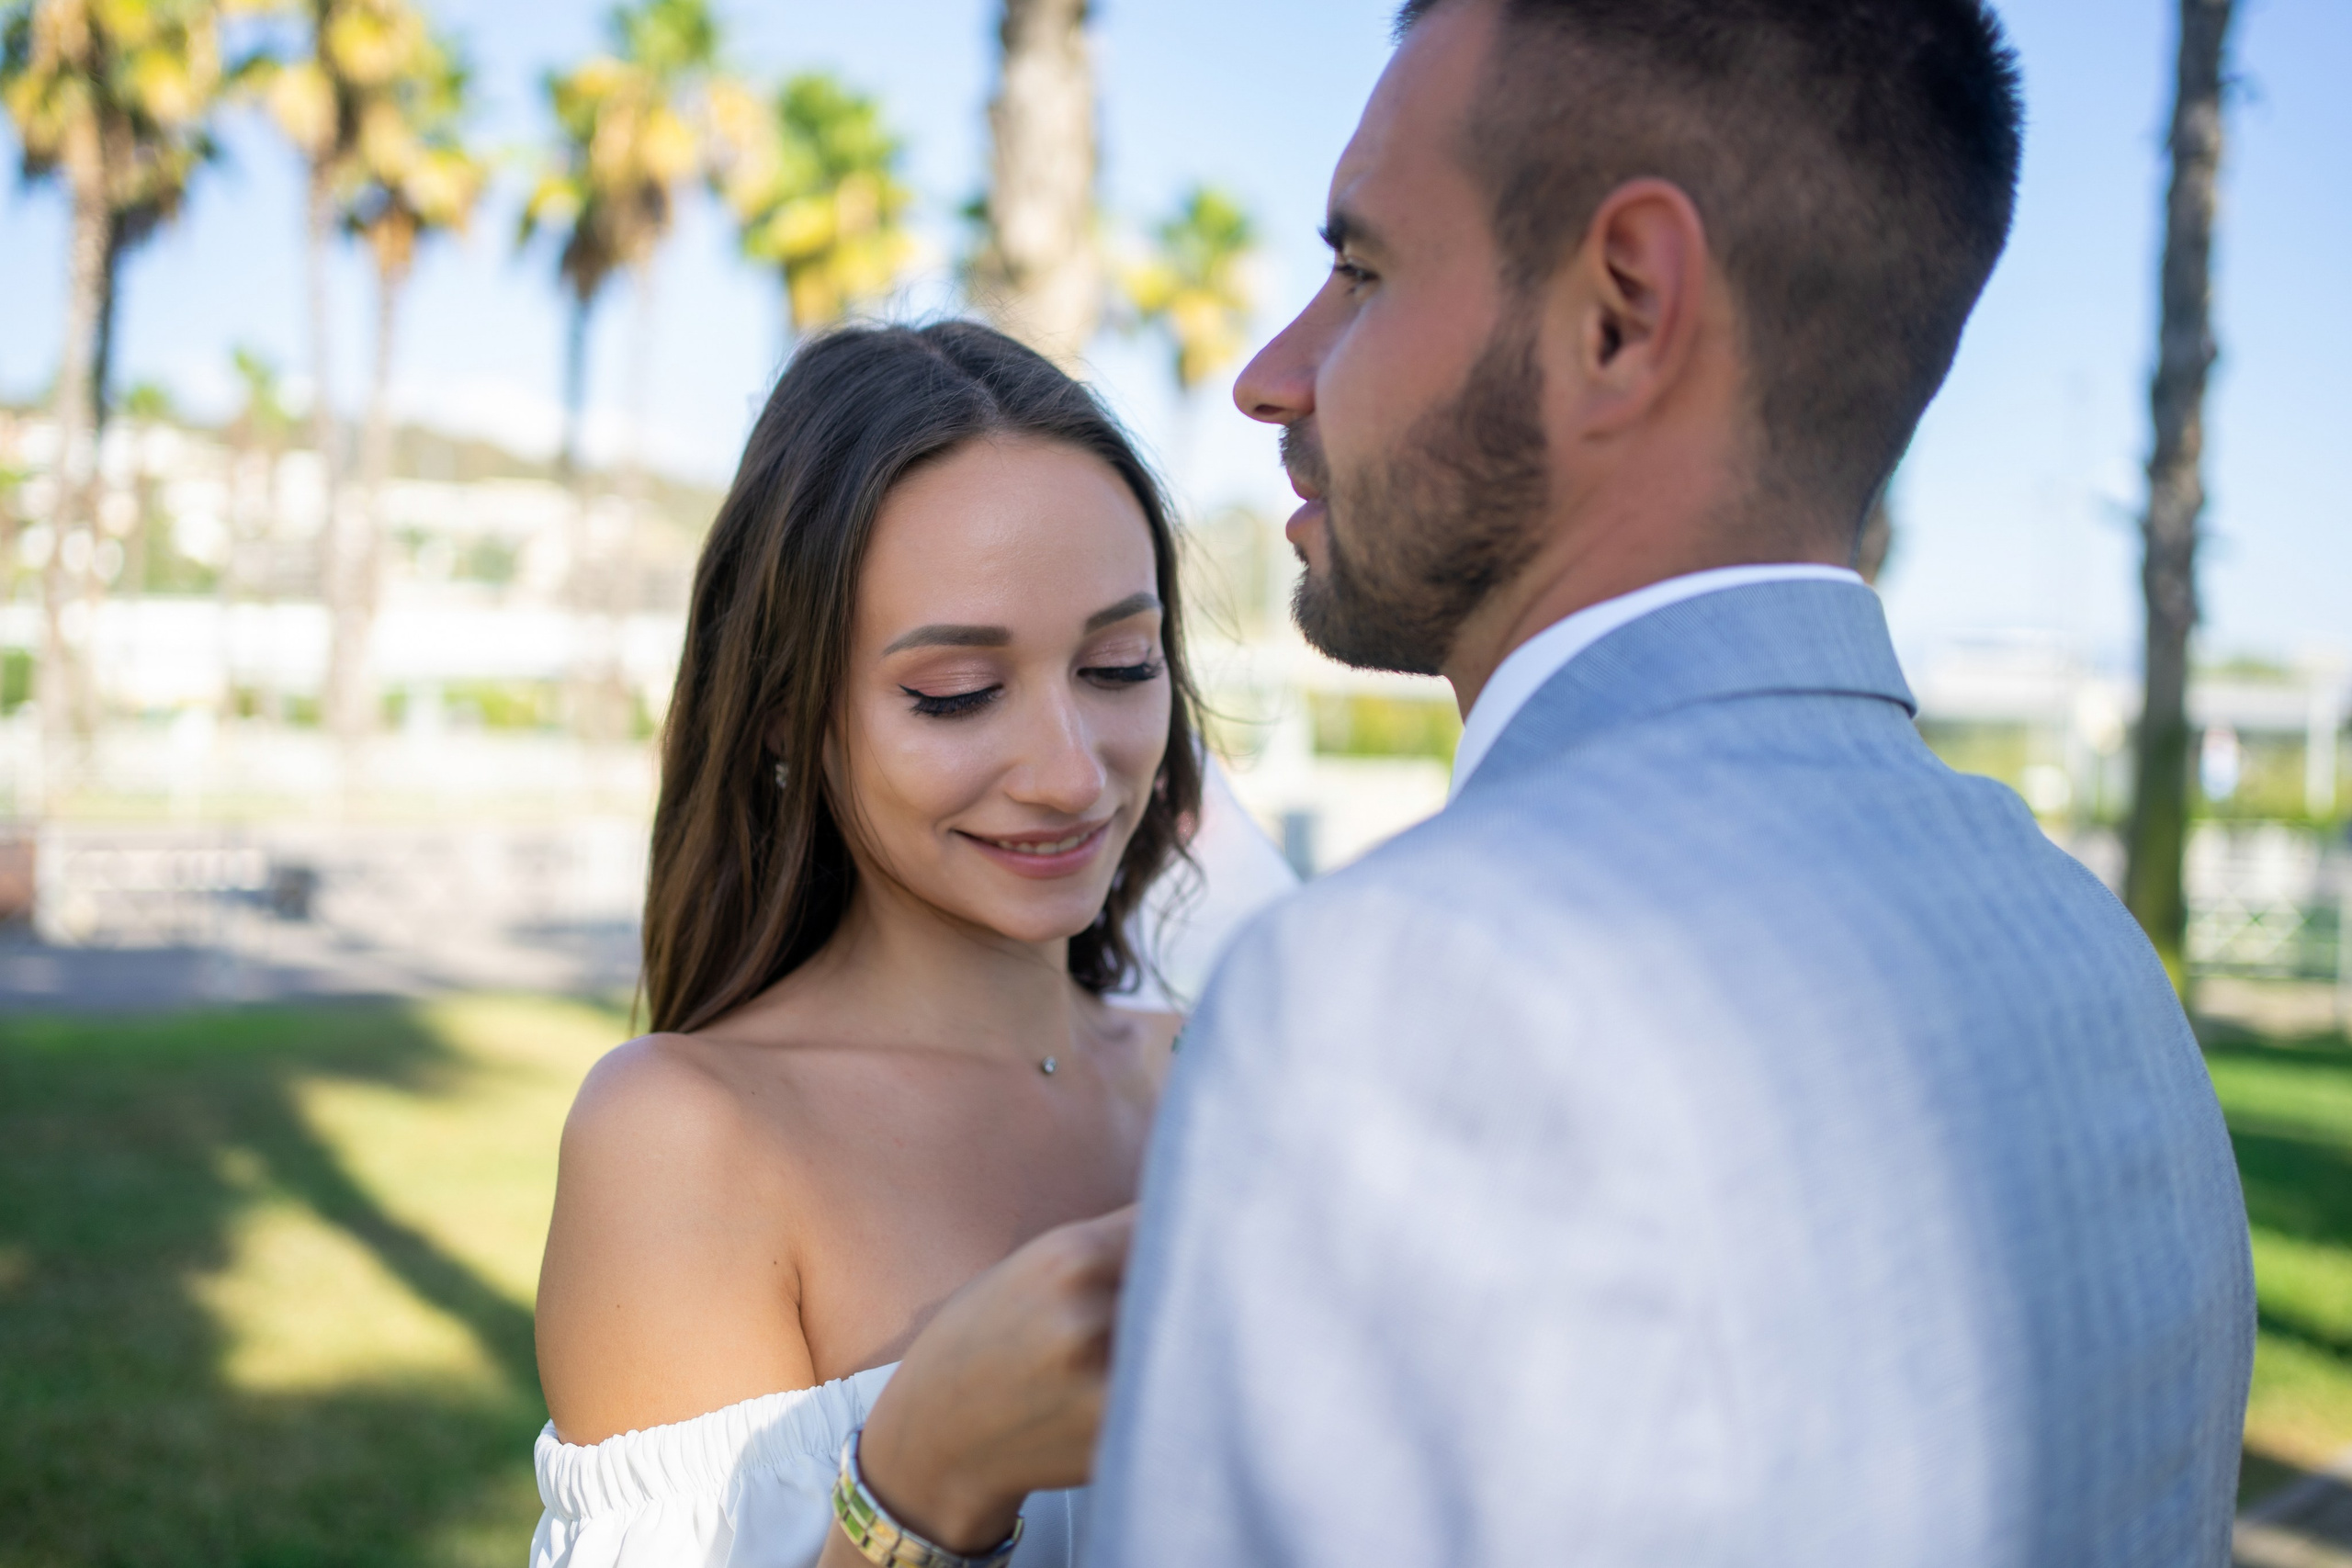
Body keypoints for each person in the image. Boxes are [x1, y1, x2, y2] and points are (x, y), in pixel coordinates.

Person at [1087, 2, 2256, 1564]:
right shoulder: (2088, 951)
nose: (1270, 373)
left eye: (1360, 271)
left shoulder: (1400, 999)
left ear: (1623, 313)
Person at [528, 321, 1291, 1568]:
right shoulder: (686, 1138)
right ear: (786, 719)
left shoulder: (1240, 1071)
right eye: (954, 693)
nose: (1068, 773)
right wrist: (926, 1474)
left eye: (1118, 664)